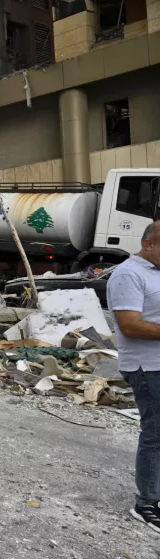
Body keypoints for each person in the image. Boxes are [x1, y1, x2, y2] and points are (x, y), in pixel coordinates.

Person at [108, 221, 160, 532]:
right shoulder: (128, 274)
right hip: (146, 366)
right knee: (155, 434)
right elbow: (131, 325)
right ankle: (146, 504)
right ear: (150, 244)